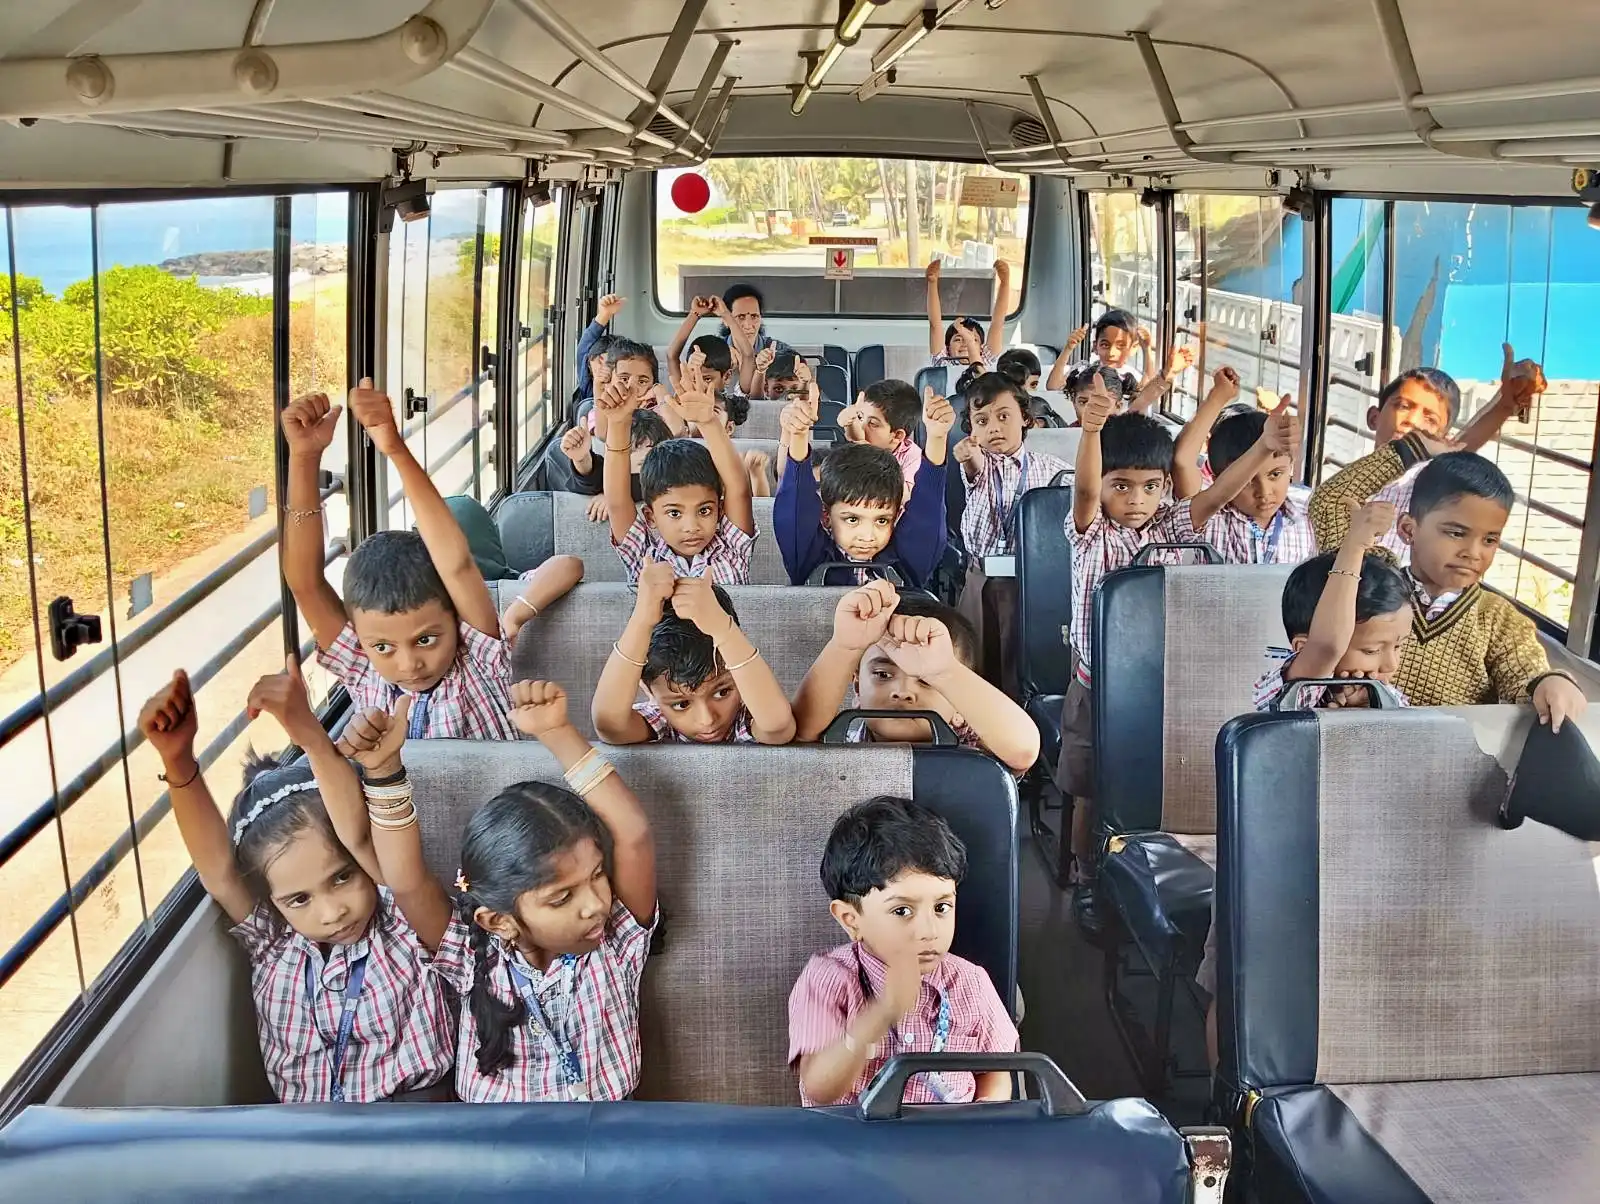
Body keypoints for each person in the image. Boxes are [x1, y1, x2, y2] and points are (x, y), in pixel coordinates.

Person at [137, 664, 454, 1102]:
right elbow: (220, 873)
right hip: (305, 1136)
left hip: (413, 1118)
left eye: (343, 878)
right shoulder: (275, 945)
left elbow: (360, 837)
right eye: (299, 899)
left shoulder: (401, 928)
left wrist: (309, 735)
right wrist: (178, 761)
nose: (332, 912)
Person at [332, 677, 656, 1103]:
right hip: (493, 1148)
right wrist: (383, 772)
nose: (596, 904)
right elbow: (407, 881)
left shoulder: (616, 940)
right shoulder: (470, 953)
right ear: (498, 921)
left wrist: (557, 733)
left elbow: (633, 833)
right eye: (561, 898)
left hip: (603, 1140)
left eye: (597, 875)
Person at [1058, 378, 1296, 932]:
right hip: (1096, 685)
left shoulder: (1172, 523)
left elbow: (1214, 496)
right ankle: (1087, 875)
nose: (1136, 501)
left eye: (1149, 487)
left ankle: (1150, 861)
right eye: (1123, 486)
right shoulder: (1092, 534)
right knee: (1092, 787)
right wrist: (1091, 432)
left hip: (1167, 684)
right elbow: (1087, 495)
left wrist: (1262, 447)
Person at [280, 383, 522, 741]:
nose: (409, 665)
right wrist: (303, 458)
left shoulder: (477, 658)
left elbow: (456, 564)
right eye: (383, 648)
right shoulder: (363, 669)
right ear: (361, 641)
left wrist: (394, 447)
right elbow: (304, 582)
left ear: (455, 620)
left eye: (425, 640)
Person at [788, 796, 1019, 1107]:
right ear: (851, 920)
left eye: (941, 907)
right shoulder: (828, 980)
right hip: (857, 1147)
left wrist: (983, 1118)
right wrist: (882, 1014)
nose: (928, 931)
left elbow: (994, 1071)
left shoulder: (970, 982)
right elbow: (819, 1088)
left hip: (951, 1144)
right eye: (901, 911)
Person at [1387, 452, 1587, 726]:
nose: (1473, 553)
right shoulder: (1374, 588)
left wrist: (1551, 681)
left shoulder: (1498, 619)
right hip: (1366, 746)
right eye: (1456, 533)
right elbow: (1330, 507)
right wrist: (1407, 448)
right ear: (1408, 529)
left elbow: (1525, 673)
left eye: (1490, 539)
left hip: (1455, 760)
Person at [1309, 349, 1544, 556]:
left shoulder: (1427, 481)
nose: (1412, 421)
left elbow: (1465, 444)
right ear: (1373, 417)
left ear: (1442, 440)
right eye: (1403, 406)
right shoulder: (1351, 481)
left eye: (1429, 418)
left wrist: (1504, 406)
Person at [792, 582, 1039, 776]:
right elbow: (801, 732)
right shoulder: (837, 743)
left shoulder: (973, 753)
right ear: (857, 687)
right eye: (882, 675)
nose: (902, 692)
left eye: (926, 681)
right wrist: (844, 647)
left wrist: (945, 672)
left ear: (959, 706)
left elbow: (1023, 750)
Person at [951, 372, 1071, 692]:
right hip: (982, 578)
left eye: (1004, 416)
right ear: (972, 430)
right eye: (982, 420)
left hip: (1032, 581)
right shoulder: (980, 464)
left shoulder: (1051, 468)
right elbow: (974, 467)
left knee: (1022, 665)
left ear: (1026, 419)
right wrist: (969, 455)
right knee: (976, 664)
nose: (993, 427)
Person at [592, 562, 795, 745]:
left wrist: (724, 631)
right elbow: (609, 726)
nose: (707, 720)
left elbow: (778, 727)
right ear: (647, 688)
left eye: (722, 692)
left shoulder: (749, 718)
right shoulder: (660, 721)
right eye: (681, 704)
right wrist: (642, 619)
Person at [775, 388, 952, 589]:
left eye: (882, 520)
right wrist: (798, 436)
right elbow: (795, 512)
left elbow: (927, 512)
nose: (867, 536)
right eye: (852, 519)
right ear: (826, 515)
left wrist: (937, 437)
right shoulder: (809, 558)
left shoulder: (905, 564)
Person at [1253, 500, 1414, 711]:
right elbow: (1328, 645)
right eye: (1371, 650)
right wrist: (1354, 547)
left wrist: (1366, 713)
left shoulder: (1387, 698)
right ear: (1303, 648)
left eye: (1397, 646)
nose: (1391, 665)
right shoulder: (1290, 694)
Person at [599, 381, 757, 585]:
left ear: (720, 509)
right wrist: (619, 424)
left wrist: (708, 423)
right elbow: (617, 501)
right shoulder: (645, 559)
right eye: (674, 513)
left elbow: (739, 489)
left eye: (704, 511)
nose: (691, 527)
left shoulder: (732, 552)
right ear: (650, 517)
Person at [1170, 368, 1316, 565]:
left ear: (1291, 464)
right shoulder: (1212, 517)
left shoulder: (1309, 515)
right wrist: (1218, 397)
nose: (1264, 492)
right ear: (1217, 477)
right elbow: (1182, 461)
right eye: (1247, 482)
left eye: (1275, 474)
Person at [555, 408, 674, 526]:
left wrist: (614, 496)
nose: (644, 453)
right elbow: (594, 478)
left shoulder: (672, 476)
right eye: (633, 448)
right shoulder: (609, 472)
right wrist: (582, 459)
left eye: (652, 448)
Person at [839, 379, 924, 500]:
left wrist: (866, 451)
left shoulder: (913, 458)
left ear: (897, 436)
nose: (862, 426)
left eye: (873, 423)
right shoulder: (857, 446)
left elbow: (902, 498)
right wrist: (849, 422)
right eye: (860, 417)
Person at [926, 258, 1010, 371]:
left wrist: (1005, 283)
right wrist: (932, 282)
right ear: (947, 349)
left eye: (973, 339)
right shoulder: (943, 362)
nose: (965, 343)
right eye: (958, 339)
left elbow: (997, 324)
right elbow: (935, 325)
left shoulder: (986, 361)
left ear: (981, 349)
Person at [574, 292, 626, 400]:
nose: (602, 372)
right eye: (596, 361)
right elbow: (583, 349)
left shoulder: (626, 390)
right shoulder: (589, 388)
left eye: (610, 364)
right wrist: (604, 314)